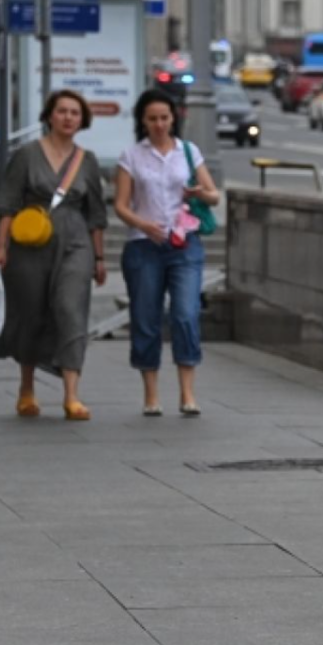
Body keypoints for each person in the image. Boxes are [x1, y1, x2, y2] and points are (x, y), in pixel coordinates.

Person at [0, 89, 108, 420]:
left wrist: (99, 259)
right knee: (30, 314)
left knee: (71, 309)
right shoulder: (27, 154)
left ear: (82, 120)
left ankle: (71, 395)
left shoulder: (87, 160)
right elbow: (8, 204)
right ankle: (27, 388)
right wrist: (1, 248)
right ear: (49, 116)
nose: (68, 117)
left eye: (75, 112)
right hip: (29, 244)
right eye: (62, 111)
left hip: (75, 243)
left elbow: (96, 214)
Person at [113, 89, 219, 416]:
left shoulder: (188, 152)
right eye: (152, 119)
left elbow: (214, 195)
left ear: (174, 118)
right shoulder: (132, 156)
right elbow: (120, 205)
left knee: (185, 313)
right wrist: (143, 225)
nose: (159, 124)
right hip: (144, 245)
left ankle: (188, 394)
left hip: (184, 243)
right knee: (146, 317)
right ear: (142, 122)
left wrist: (201, 192)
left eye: (164, 118)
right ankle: (151, 395)